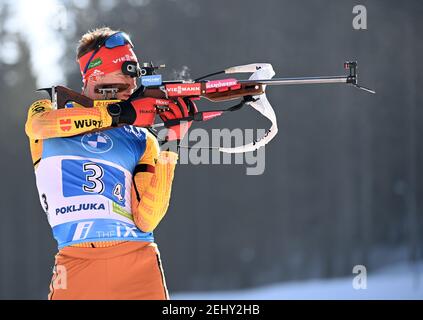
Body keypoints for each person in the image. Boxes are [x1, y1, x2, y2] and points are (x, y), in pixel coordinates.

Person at [25, 27, 194, 300]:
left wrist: (170, 146)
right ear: (96, 75)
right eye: (126, 74)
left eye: (135, 76)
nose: (133, 85)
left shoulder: (142, 138)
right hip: (75, 265)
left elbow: (147, 219)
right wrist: (117, 113)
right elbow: (39, 126)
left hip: (137, 266)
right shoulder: (47, 111)